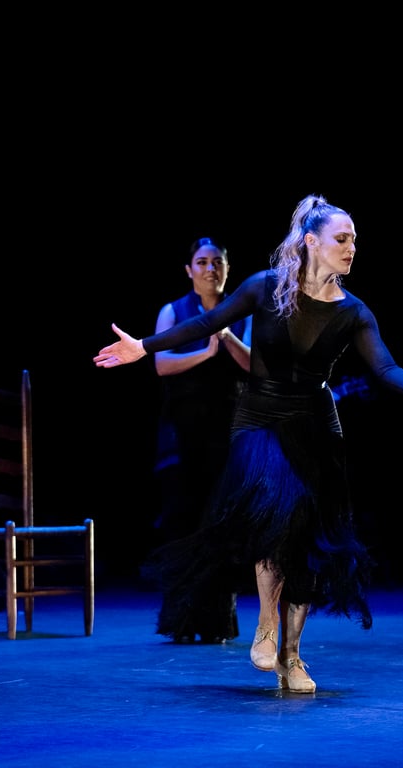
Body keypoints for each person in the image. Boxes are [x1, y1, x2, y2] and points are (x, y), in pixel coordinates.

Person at [94, 194, 403, 693]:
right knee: (274, 513)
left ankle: (292, 655)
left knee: (306, 536)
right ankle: (265, 623)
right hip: (258, 417)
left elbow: (384, 367)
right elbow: (206, 323)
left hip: (315, 425)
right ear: (311, 242)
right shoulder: (264, 287)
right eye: (341, 239)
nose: (351, 247)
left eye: (354, 240)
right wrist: (143, 347)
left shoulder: (354, 311)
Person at [151, 236, 251, 644]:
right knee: (182, 521)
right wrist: (205, 354)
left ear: (227, 268)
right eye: (203, 262)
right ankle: (180, 621)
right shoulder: (173, 311)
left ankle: (217, 622)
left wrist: (225, 336)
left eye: (217, 262)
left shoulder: (243, 310)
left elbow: (255, 365)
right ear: (189, 269)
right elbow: (162, 363)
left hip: (228, 430)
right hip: (183, 431)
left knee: (222, 524)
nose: (211, 269)